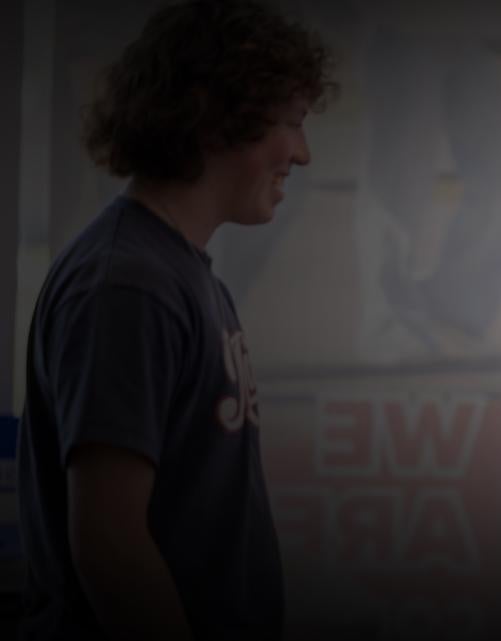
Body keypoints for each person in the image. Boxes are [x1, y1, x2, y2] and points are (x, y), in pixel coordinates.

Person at [16, 2, 334, 639]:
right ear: (213, 114)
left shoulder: (180, 275)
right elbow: (111, 546)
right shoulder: (129, 286)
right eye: (293, 122)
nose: (302, 154)